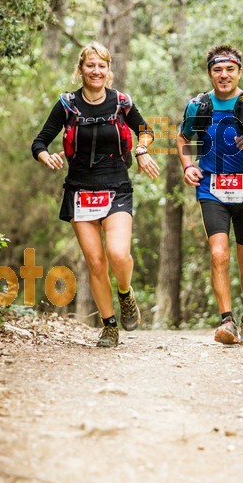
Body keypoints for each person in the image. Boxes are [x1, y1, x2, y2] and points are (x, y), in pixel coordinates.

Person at [31, 42, 159, 347]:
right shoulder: (67, 104)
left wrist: (141, 151)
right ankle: (109, 325)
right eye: (90, 65)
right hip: (79, 189)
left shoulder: (121, 102)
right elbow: (40, 142)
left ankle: (125, 293)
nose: (96, 71)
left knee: (118, 254)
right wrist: (45, 157)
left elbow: (146, 130)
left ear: (108, 70)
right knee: (96, 262)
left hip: (116, 185)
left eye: (102, 66)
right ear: (81, 69)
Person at [177, 44, 243, 346]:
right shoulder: (199, 105)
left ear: (239, 72)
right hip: (211, 188)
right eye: (218, 69)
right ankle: (227, 320)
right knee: (218, 254)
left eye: (230, 69)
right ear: (210, 73)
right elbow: (183, 138)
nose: (224, 75)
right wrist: (187, 165)